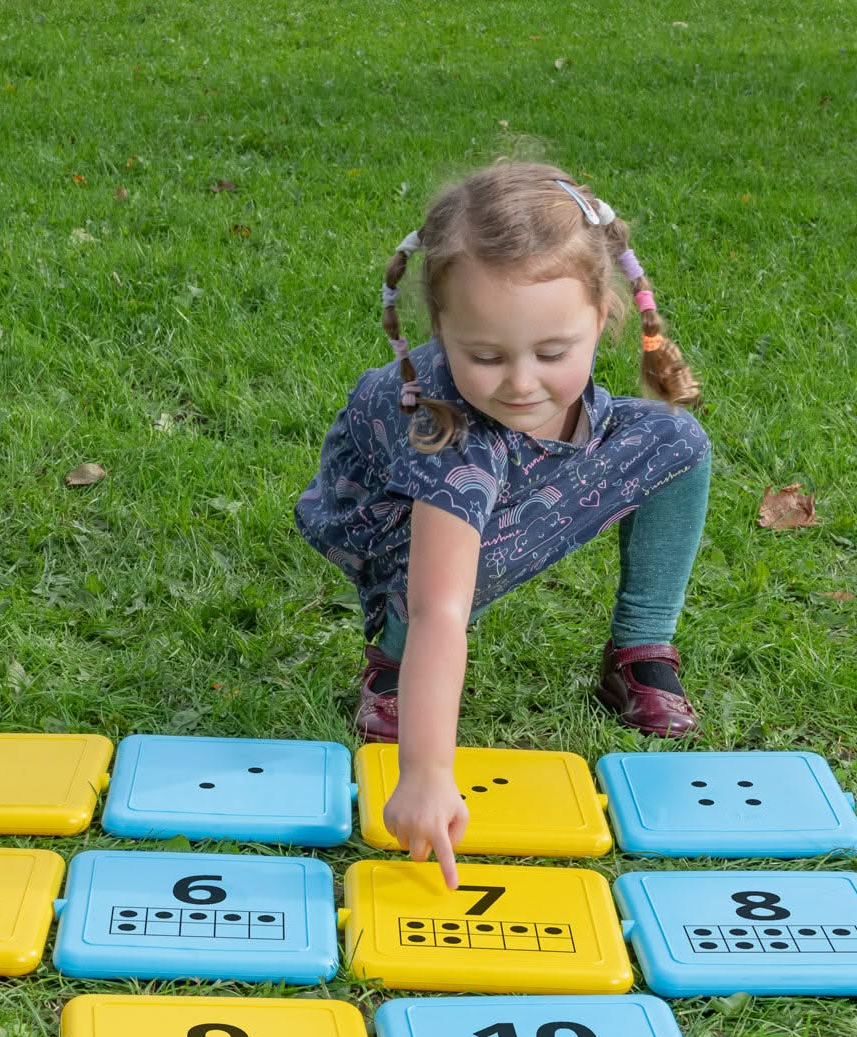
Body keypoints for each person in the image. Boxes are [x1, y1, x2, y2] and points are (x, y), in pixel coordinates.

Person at [294, 161, 711, 887]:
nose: (521, 383)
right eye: (485, 356)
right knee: (464, 555)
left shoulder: (530, 391)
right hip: (395, 524)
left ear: (603, 318)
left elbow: (612, 427)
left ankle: (640, 648)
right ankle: (390, 675)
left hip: (505, 476)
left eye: (553, 353)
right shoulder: (449, 443)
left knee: (677, 443)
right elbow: (440, 609)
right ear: (442, 329)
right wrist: (425, 773)